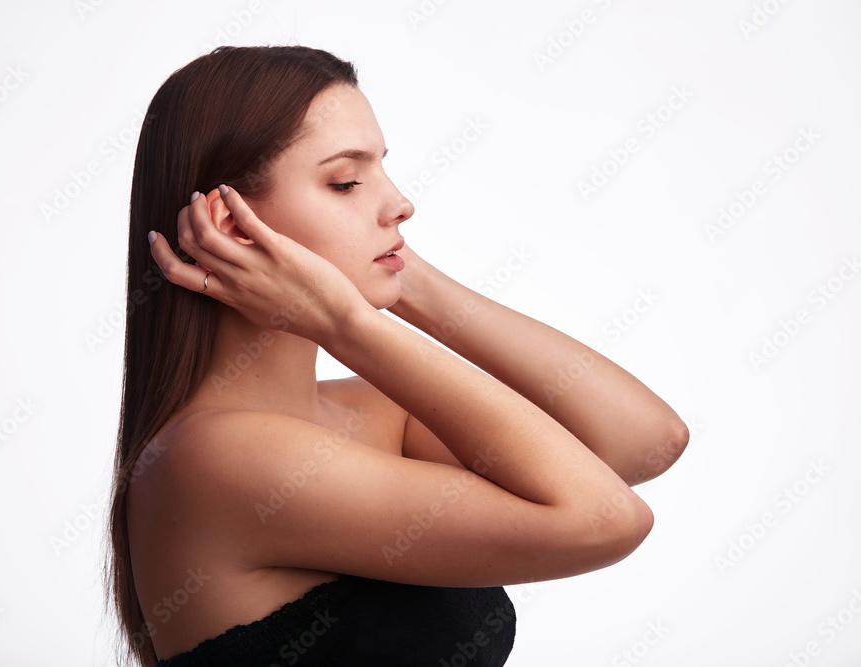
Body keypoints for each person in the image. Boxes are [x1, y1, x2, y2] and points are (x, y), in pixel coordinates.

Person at [103, 45, 689, 667]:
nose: (401, 203)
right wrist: (348, 322)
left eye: (383, 170)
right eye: (347, 181)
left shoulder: (376, 414)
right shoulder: (213, 456)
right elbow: (605, 519)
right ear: (231, 224)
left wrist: (404, 282)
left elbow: (645, 441)